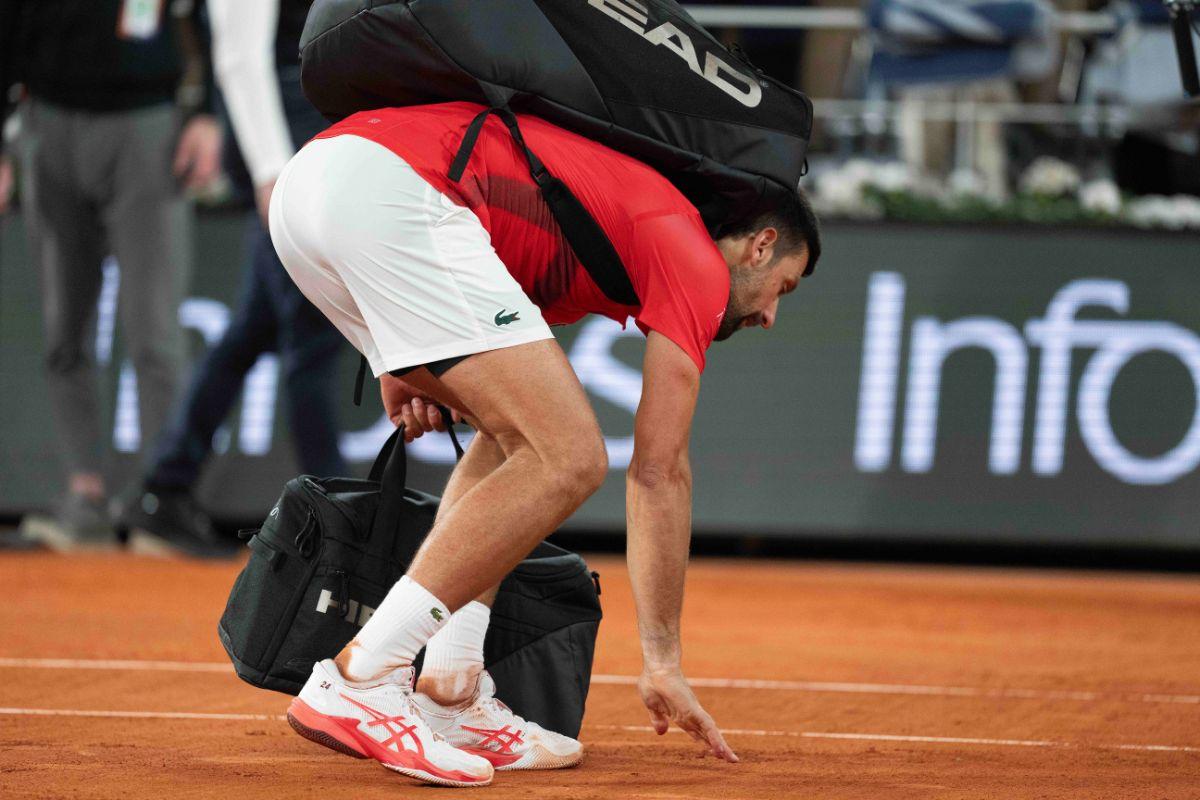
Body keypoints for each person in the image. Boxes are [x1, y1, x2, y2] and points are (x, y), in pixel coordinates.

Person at [269, 101, 820, 787]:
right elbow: (658, 473)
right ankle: (365, 673)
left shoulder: (601, 231)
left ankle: (450, 687)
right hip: (395, 190)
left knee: (521, 438)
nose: (769, 313)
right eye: (782, 288)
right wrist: (662, 660)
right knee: (572, 454)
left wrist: (400, 367)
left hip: (312, 189)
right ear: (760, 244)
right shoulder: (693, 257)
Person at [115, 0, 349, 558]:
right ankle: (341, 521)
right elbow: (240, 55)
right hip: (283, 138)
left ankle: (165, 487)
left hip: (310, 122)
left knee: (257, 325)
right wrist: (272, 170)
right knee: (312, 327)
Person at [0, 0, 222, 551]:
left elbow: (216, 22)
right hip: (45, 123)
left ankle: (158, 498)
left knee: (155, 331)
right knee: (63, 330)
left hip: (149, 128)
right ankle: (85, 494)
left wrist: (207, 113)